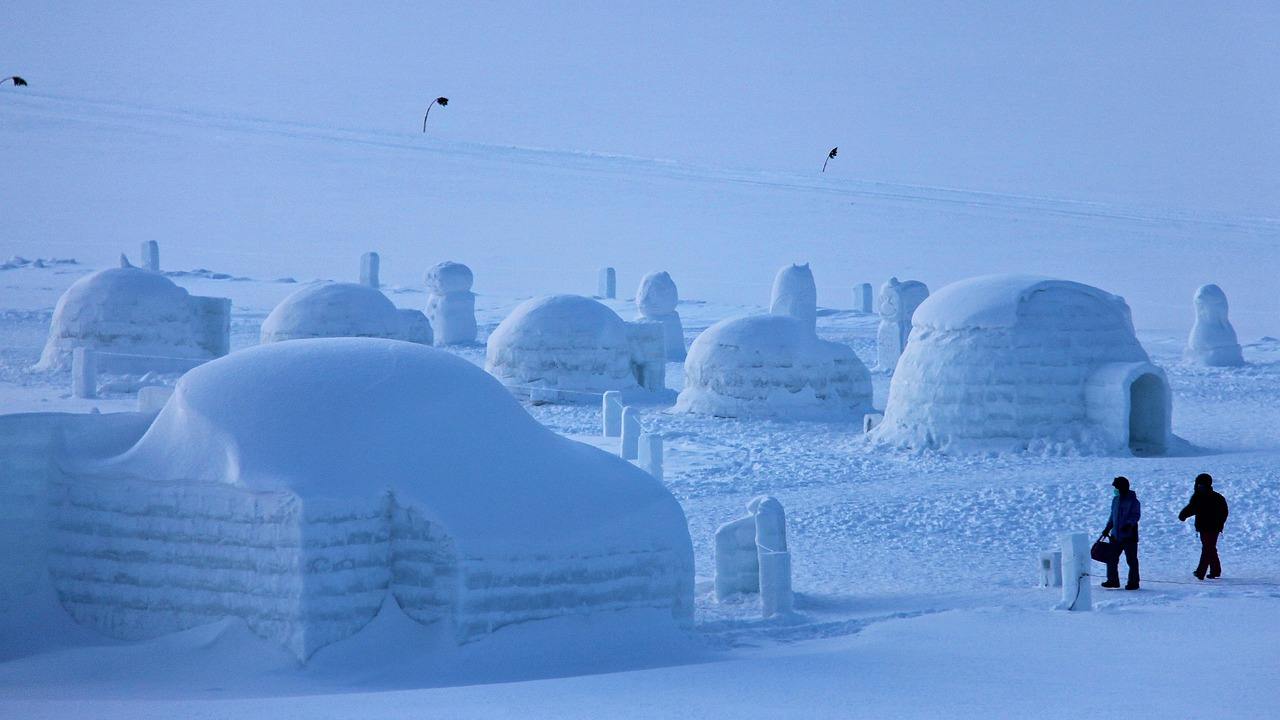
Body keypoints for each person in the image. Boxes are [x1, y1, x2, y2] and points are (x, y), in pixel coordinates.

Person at [1179, 473, 1229, 580]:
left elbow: (1192, 508)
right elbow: (1192, 508)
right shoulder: (1216, 497)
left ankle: (1200, 572)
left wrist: (1183, 515)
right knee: (1210, 548)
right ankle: (1215, 570)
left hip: (1208, 527)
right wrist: (1183, 514)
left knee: (1207, 549)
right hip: (1209, 528)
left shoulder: (1201, 497)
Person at [1100, 476, 1141, 590]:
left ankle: (1133, 582)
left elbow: (1135, 515)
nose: (1115, 489)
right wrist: (1107, 528)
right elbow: (1112, 516)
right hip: (1115, 536)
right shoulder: (1115, 500)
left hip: (1129, 537)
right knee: (1111, 559)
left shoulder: (1134, 501)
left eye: (1116, 487)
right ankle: (1112, 580)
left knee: (1131, 560)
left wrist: (1128, 525)